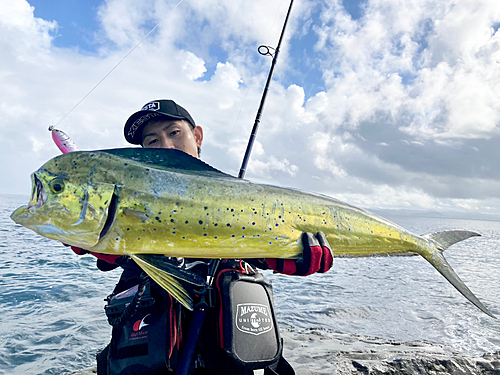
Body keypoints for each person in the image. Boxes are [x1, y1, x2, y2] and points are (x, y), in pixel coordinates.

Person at [75, 99, 334, 375]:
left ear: (197, 136)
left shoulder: (239, 202)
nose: (165, 146)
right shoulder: (131, 202)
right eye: (152, 141)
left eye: (174, 133)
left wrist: (297, 256)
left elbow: (265, 248)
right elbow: (111, 248)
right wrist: (86, 234)